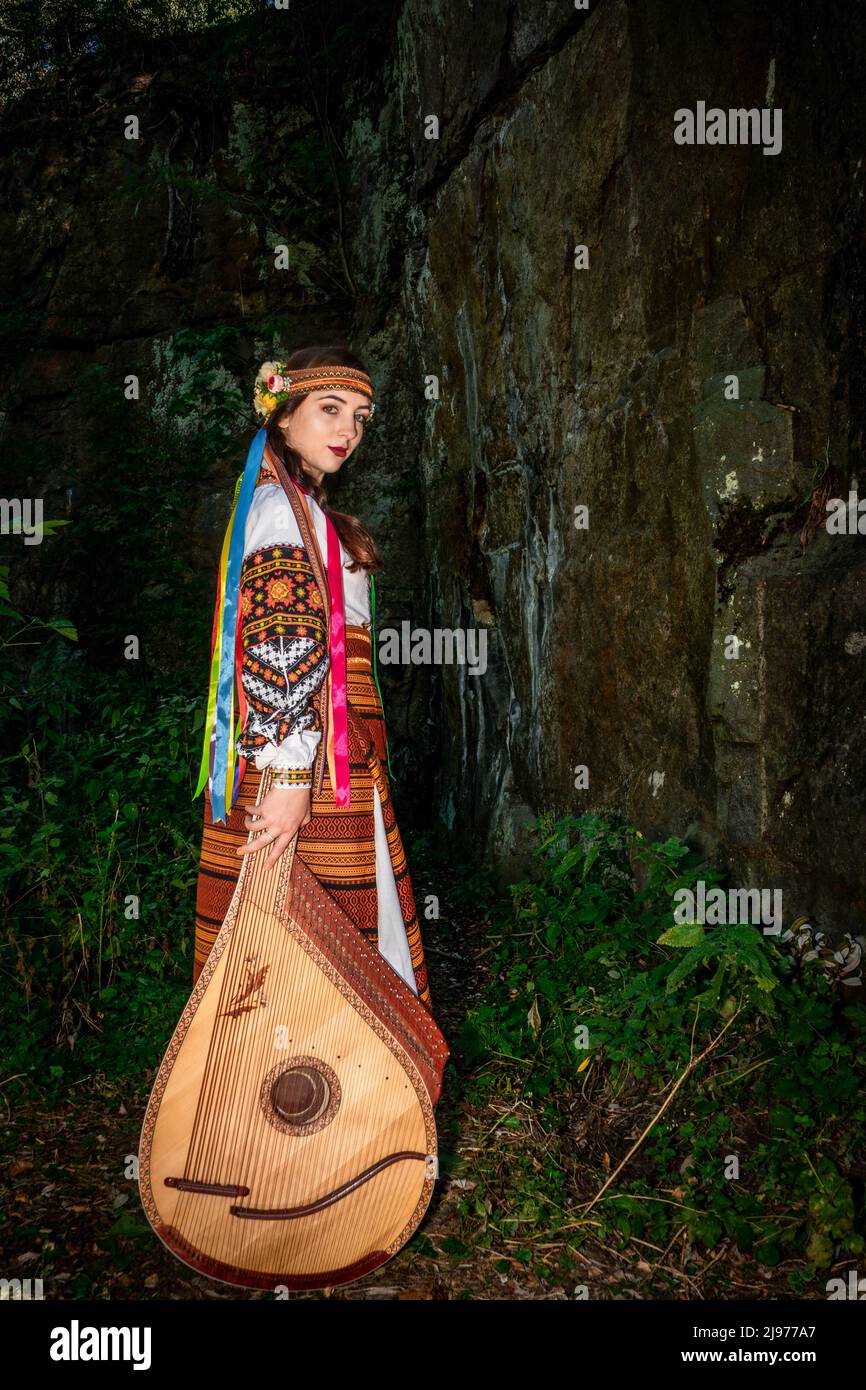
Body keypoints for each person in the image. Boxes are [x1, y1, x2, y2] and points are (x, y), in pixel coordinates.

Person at [191, 345, 432, 1010]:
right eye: (329, 409)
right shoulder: (280, 511)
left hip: (333, 744)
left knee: (313, 937)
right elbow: (282, 646)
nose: (348, 430)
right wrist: (293, 779)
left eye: (359, 416)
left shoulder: (298, 509)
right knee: (314, 937)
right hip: (312, 757)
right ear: (283, 415)